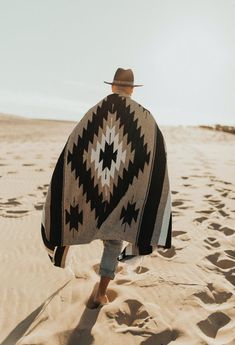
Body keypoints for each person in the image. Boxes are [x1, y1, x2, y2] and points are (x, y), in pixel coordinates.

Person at [93, 69, 142, 307]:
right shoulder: (143, 117)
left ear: (112, 87)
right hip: (122, 192)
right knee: (114, 242)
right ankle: (101, 291)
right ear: (132, 89)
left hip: (92, 191)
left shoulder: (96, 112)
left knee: (90, 230)